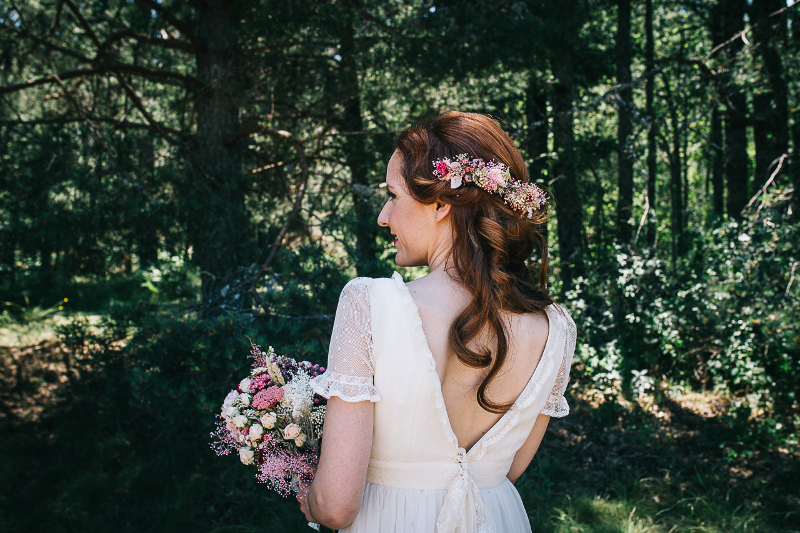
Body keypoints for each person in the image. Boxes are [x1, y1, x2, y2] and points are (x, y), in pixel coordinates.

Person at [298, 112, 576, 532]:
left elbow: (337, 505)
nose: (383, 216)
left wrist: (312, 497)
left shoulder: (369, 303)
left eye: (393, 196)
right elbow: (508, 469)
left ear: (442, 204)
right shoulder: (556, 330)